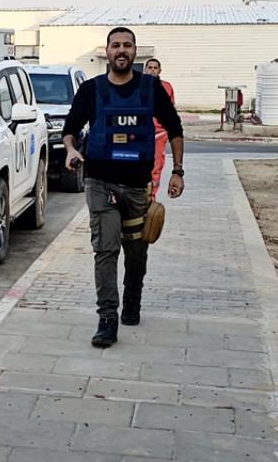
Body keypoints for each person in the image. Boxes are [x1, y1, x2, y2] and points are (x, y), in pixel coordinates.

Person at [62, 28, 184, 348]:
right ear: (107, 51)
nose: (121, 50)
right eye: (115, 45)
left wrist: (177, 171)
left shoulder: (150, 88)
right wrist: (72, 150)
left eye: (127, 45)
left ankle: (132, 298)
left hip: (137, 186)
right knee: (106, 249)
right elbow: (70, 129)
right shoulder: (91, 89)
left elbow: (174, 128)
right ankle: (107, 319)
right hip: (99, 182)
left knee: (136, 249)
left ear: (134, 51)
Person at [143, 58, 176, 200]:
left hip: (159, 134)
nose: (152, 70)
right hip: (140, 133)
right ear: (145, 70)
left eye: (155, 68)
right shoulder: (136, 86)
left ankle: (151, 198)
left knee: (156, 167)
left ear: (159, 70)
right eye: (150, 67)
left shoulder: (167, 87)